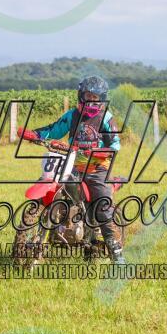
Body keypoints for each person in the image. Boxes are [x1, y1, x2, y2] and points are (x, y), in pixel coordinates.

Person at [19, 76, 126, 264]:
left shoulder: (106, 118)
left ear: (102, 99)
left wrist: (100, 152)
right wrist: (34, 134)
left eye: (95, 97)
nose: (91, 100)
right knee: (55, 185)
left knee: (102, 206)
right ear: (81, 95)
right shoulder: (72, 115)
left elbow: (115, 144)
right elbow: (54, 129)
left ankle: (117, 253)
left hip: (96, 169)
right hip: (72, 164)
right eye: (88, 95)